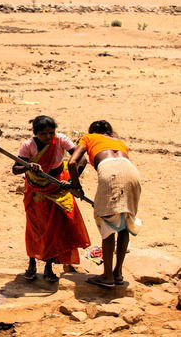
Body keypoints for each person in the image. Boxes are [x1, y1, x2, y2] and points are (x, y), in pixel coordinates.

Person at [12, 115, 91, 282]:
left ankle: (49, 267)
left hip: (58, 186)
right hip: (36, 191)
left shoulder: (61, 140)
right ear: (36, 133)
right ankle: (32, 263)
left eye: (51, 133)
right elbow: (15, 169)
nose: (48, 137)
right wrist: (28, 166)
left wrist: (72, 181)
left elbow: (81, 159)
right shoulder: (28, 146)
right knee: (36, 228)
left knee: (55, 227)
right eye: (43, 134)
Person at [68, 120, 141, 289]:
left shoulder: (89, 138)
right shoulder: (119, 142)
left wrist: (75, 185)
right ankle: (118, 273)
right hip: (132, 173)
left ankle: (107, 277)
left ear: (92, 131)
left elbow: (72, 162)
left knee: (108, 224)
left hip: (111, 173)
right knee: (124, 222)